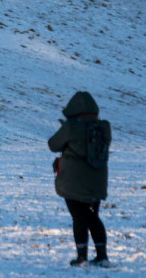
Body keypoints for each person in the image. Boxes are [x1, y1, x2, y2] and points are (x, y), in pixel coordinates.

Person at [48, 91, 112, 268]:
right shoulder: (103, 127)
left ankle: (82, 257)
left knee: (79, 218)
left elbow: (53, 145)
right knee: (93, 217)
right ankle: (102, 256)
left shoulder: (71, 127)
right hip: (97, 179)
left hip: (73, 181)